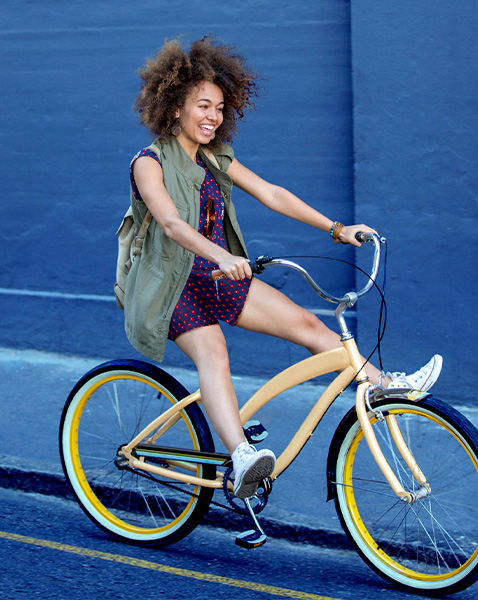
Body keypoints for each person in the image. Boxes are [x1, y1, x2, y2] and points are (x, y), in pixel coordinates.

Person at [124, 36, 442, 499]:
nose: (212, 116)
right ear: (174, 108)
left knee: (309, 324)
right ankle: (241, 460)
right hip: (171, 288)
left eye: (219, 107)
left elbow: (271, 193)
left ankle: (387, 387)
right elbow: (171, 223)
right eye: (202, 106)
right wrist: (224, 255)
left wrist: (335, 228)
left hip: (217, 274)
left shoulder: (214, 158)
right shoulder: (147, 163)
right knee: (214, 354)